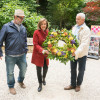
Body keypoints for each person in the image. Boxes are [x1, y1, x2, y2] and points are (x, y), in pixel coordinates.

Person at [0, 9, 28, 95]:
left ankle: (20, 81)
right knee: (10, 73)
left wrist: (25, 50)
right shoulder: (6, 27)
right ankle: (11, 86)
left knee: (24, 69)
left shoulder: (23, 28)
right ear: (15, 17)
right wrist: (0, 53)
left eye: (23, 18)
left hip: (22, 55)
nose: (22, 20)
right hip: (10, 56)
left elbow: (25, 40)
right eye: (21, 18)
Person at [64, 13, 91, 92]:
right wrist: (68, 47)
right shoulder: (74, 27)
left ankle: (78, 85)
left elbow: (84, 44)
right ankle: (72, 84)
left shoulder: (86, 29)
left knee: (81, 70)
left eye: (78, 19)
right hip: (72, 52)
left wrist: (76, 52)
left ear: (83, 20)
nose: (76, 20)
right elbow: (70, 38)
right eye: (76, 19)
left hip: (81, 53)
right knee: (72, 69)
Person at [31, 18, 49, 92]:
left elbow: (50, 42)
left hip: (46, 54)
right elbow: (35, 44)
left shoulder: (48, 32)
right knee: (38, 70)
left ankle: (43, 78)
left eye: (45, 24)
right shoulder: (36, 32)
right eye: (42, 24)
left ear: (46, 25)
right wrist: (42, 50)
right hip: (38, 53)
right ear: (39, 25)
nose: (43, 25)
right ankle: (40, 84)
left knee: (45, 68)